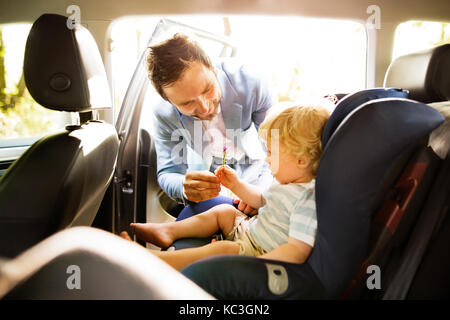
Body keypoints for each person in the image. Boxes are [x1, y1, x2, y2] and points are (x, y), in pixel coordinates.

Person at [121, 104, 330, 271]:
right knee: (224, 212)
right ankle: (169, 231)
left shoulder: (307, 199)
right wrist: (236, 184)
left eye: (272, 153)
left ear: (301, 160)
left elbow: (297, 250)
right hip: (250, 230)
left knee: (224, 249)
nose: (266, 159)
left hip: (258, 250)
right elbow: (260, 200)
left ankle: (159, 260)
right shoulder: (286, 183)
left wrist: (260, 266)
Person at [147, 33, 276, 215]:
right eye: (187, 104)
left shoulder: (252, 83)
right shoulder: (163, 113)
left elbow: (278, 150)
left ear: (213, 69)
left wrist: (261, 194)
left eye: (208, 89)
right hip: (212, 179)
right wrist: (185, 187)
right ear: (169, 101)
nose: (205, 108)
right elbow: (168, 173)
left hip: (258, 169)